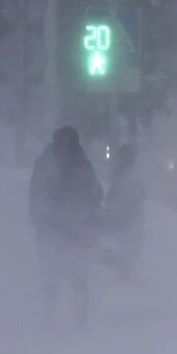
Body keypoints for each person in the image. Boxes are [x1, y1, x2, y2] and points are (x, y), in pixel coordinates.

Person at [28, 125, 104, 326]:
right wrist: (42, 222)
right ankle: (50, 318)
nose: (65, 147)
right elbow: (36, 195)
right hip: (53, 228)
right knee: (53, 275)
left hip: (74, 229)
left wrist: (88, 218)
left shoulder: (80, 164)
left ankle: (78, 320)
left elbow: (96, 193)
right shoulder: (48, 164)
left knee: (75, 275)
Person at [103, 144, 146, 282]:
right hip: (126, 215)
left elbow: (112, 194)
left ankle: (126, 272)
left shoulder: (125, 171)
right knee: (128, 245)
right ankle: (126, 273)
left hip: (129, 215)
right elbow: (115, 194)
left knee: (129, 245)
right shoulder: (123, 172)